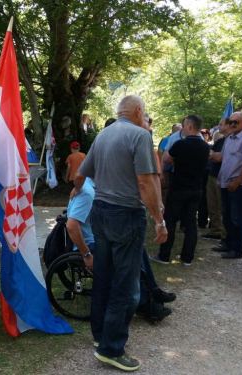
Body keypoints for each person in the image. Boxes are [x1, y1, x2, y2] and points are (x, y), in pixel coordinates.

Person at [73, 95, 167, 372]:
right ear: (139, 111)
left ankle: (101, 336)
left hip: (100, 213)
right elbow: (145, 182)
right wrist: (159, 220)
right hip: (125, 215)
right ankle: (112, 348)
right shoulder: (139, 135)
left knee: (104, 277)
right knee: (124, 285)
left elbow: (81, 174)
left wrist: (77, 191)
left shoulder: (103, 135)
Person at [66, 177, 175, 322]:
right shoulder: (88, 192)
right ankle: (145, 300)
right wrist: (86, 254)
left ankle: (152, 291)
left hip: (99, 235)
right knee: (130, 252)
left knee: (135, 245)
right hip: (91, 243)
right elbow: (71, 226)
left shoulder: (92, 187)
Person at [150, 115, 210, 266]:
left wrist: (177, 160)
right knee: (190, 222)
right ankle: (187, 258)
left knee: (170, 220)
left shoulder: (180, 144)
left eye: (184, 126)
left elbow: (166, 158)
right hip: (196, 188)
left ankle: (164, 256)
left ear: (189, 126)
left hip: (179, 187)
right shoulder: (205, 146)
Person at [212, 112, 242, 259]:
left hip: (238, 185)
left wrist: (237, 181)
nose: (232, 124)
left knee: (237, 218)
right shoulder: (229, 138)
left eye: (236, 122)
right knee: (227, 216)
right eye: (230, 122)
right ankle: (227, 244)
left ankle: (237, 249)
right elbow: (221, 158)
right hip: (225, 183)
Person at [201, 118, 231, 240]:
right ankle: (215, 231)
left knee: (221, 205)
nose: (218, 126)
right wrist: (214, 155)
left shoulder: (231, 141)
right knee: (212, 204)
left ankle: (225, 234)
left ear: (228, 126)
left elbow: (219, 158)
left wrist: (214, 155)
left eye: (221, 124)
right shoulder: (220, 141)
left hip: (223, 177)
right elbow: (210, 154)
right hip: (212, 175)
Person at [158, 123, 182, 204]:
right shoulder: (167, 139)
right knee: (166, 189)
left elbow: (160, 152)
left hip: (174, 170)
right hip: (168, 169)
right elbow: (160, 152)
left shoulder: (170, 139)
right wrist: (162, 170)